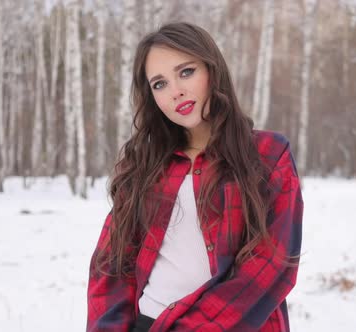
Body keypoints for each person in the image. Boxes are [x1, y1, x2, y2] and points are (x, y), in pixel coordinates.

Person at [87, 22, 303, 332]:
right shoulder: (146, 164)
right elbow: (111, 266)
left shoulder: (268, 155)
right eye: (159, 84)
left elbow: (271, 266)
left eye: (186, 72)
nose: (176, 91)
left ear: (212, 71)